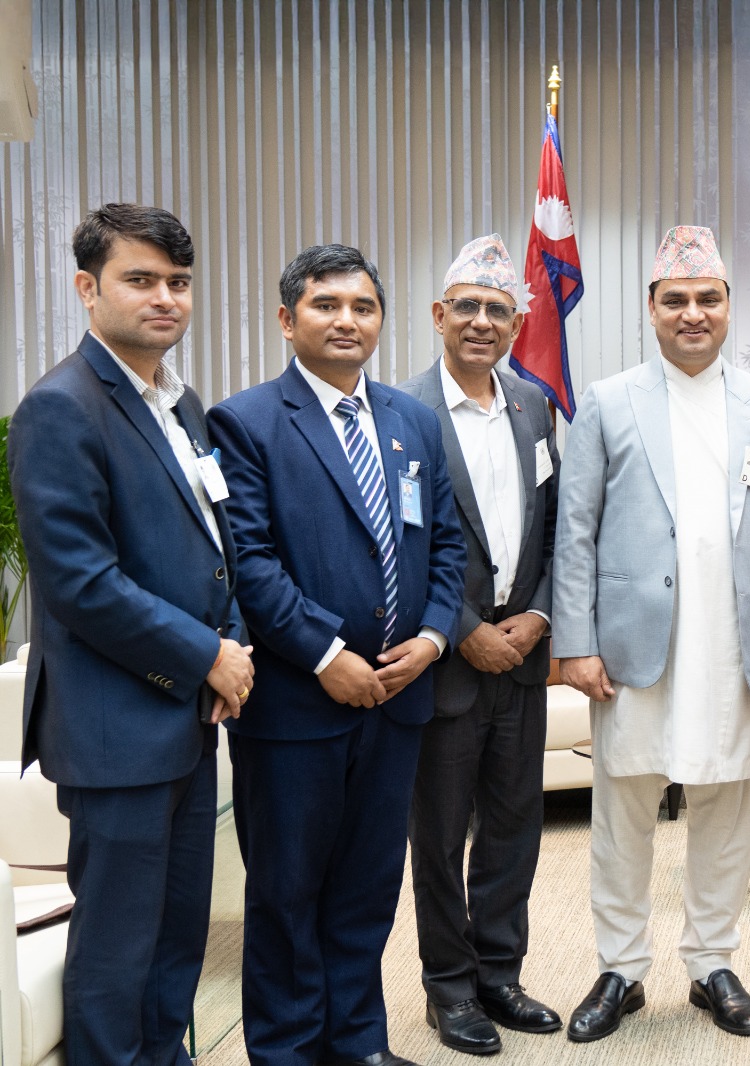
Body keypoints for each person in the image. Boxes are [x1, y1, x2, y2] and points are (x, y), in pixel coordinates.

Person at [207, 244, 467, 1066]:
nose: (346, 320)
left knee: (367, 887)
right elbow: (249, 563)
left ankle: (358, 1043)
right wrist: (327, 655)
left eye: (362, 306)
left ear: (381, 320)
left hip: (398, 698)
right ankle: (287, 1052)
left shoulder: (413, 421)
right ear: (288, 320)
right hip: (296, 705)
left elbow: (446, 545)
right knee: (287, 893)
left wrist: (432, 639)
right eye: (326, 305)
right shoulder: (244, 422)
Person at [9, 203, 253, 1066]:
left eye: (178, 283)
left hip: (185, 717)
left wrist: (231, 641)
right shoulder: (60, 408)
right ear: (88, 288)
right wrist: (207, 655)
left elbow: (214, 545)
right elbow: (83, 584)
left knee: (177, 932)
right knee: (118, 946)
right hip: (114, 728)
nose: (165, 299)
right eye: (140, 280)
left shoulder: (180, 404)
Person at [552, 225, 750, 1043]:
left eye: (709, 299)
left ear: (728, 307)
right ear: (651, 309)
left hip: (732, 644)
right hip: (632, 644)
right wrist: (576, 641)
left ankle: (712, 962)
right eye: (676, 300)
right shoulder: (607, 400)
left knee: (727, 805)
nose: (693, 313)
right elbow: (575, 529)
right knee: (622, 809)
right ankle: (620, 969)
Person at [397, 235, 563, 1055]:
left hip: (522, 655)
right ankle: (449, 987)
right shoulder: (401, 412)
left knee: (513, 827)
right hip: (447, 658)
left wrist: (539, 616)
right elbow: (400, 544)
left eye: (498, 310)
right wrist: (463, 631)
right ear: (439, 314)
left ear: (516, 323)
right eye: (467, 306)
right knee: (439, 834)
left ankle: (500, 974)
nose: (481, 322)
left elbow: (555, 525)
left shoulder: (534, 406)